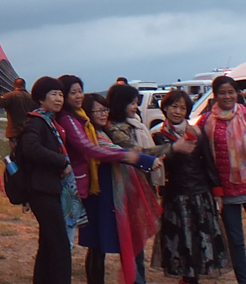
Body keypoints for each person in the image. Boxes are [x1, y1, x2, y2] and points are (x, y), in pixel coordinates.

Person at [79, 92, 161, 284]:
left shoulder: (104, 131)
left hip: (108, 194)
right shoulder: (91, 134)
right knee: (96, 246)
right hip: (97, 194)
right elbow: (116, 152)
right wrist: (146, 160)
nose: (102, 114)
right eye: (97, 111)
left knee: (98, 245)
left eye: (104, 109)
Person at [105, 82, 181, 284]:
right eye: (132, 103)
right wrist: (172, 149)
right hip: (127, 188)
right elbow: (138, 153)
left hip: (141, 186)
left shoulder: (135, 124)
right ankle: (135, 279)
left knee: (137, 235)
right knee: (132, 237)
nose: (135, 107)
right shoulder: (115, 130)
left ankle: (139, 278)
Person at [153, 88, 227, 283]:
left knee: (200, 239)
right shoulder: (160, 137)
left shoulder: (197, 132)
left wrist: (217, 191)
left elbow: (208, 162)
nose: (177, 111)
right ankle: (186, 278)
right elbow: (163, 165)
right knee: (181, 241)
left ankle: (194, 276)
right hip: (176, 197)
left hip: (200, 194)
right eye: (174, 106)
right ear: (165, 108)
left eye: (182, 108)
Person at [18, 76, 84, 284]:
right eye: (53, 94)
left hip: (49, 188)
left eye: (61, 94)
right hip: (41, 190)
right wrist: (61, 162)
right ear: (40, 98)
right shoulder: (36, 121)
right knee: (59, 244)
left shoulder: (49, 121)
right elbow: (30, 148)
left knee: (48, 242)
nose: (58, 99)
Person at [197, 75, 246, 284]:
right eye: (222, 93)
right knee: (236, 240)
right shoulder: (206, 121)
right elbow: (200, 155)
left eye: (231, 92)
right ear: (215, 96)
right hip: (224, 190)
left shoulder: (245, 114)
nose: (227, 96)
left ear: (237, 93)